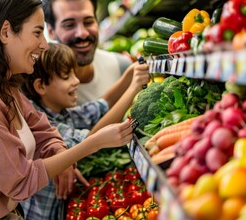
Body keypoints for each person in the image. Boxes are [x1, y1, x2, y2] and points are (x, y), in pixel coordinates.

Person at [0, 0, 134, 219]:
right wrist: (92, 144)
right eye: (38, 33)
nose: (45, 45)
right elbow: (20, 181)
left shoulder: (5, 88)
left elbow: (43, 130)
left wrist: (60, 153)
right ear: (6, 32)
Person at [19, 42, 149, 219]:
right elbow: (92, 139)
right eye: (67, 76)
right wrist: (134, 88)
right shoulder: (44, 123)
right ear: (40, 86)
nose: (76, 81)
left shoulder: (62, 113)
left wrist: (127, 76)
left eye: (74, 73)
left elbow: (99, 107)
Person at [42, 0, 133, 105]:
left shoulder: (122, 67)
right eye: (69, 25)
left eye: (88, 22)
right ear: (51, 31)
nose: (82, 33)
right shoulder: (43, 88)